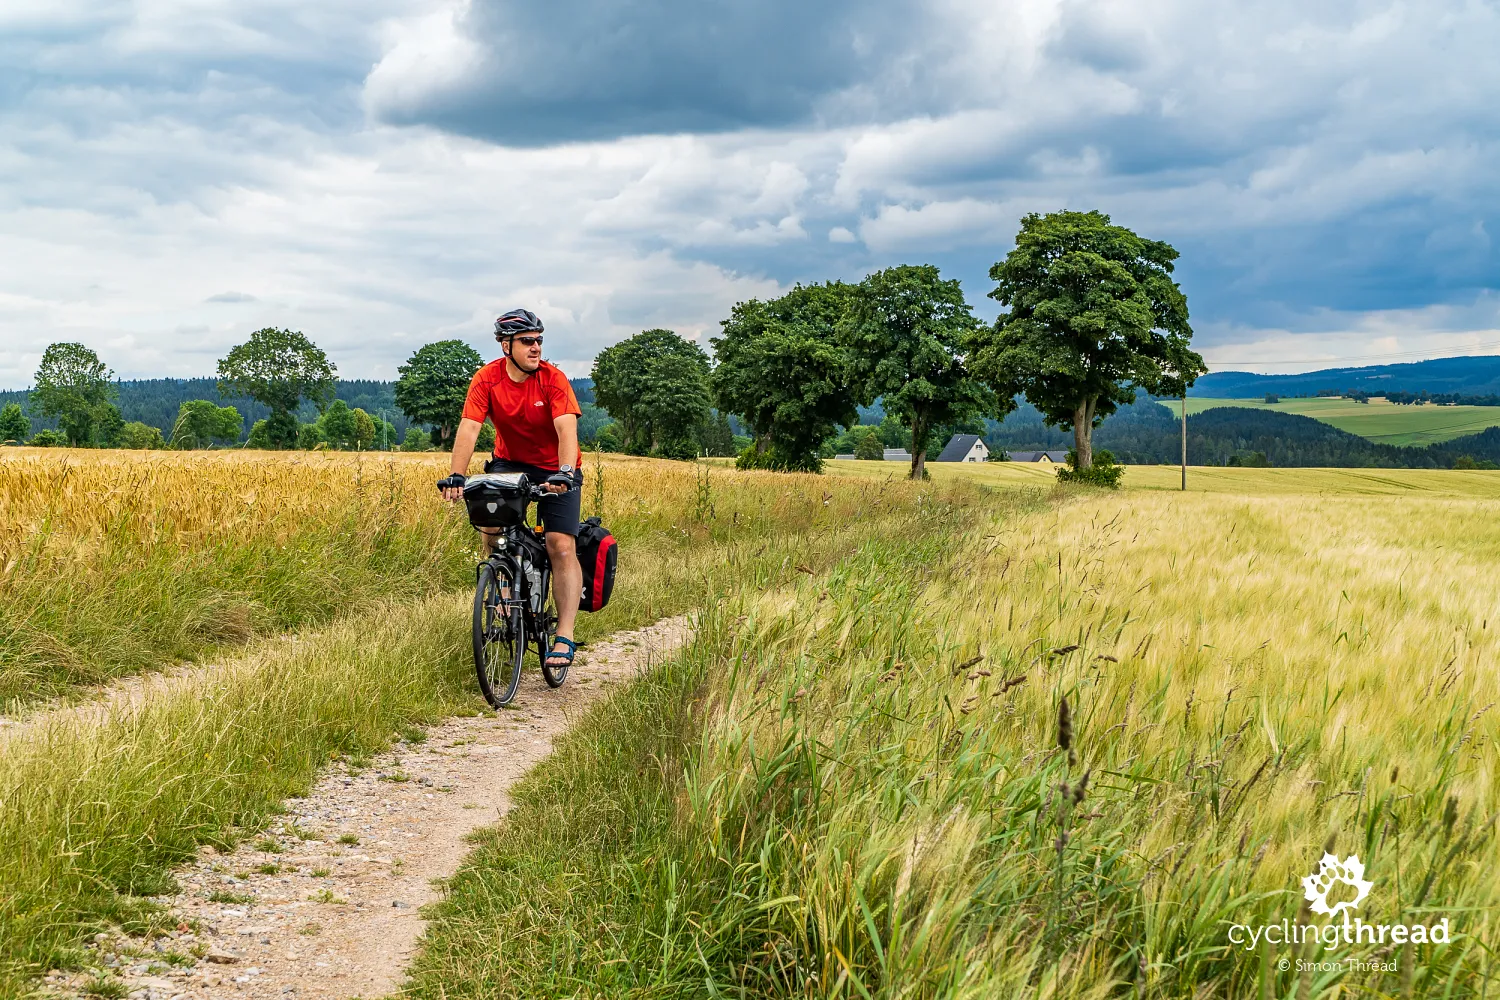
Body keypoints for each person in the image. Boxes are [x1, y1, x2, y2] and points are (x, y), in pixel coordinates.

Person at [438, 308, 584, 670]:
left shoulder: (553, 379)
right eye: (527, 341)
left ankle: (563, 636)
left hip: (556, 466)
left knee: (560, 544)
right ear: (506, 345)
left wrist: (565, 472)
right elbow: (470, 428)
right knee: (490, 524)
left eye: (539, 340)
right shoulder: (486, 379)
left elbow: (567, 430)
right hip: (509, 462)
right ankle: (504, 593)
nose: (536, 348)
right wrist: (456, 476)